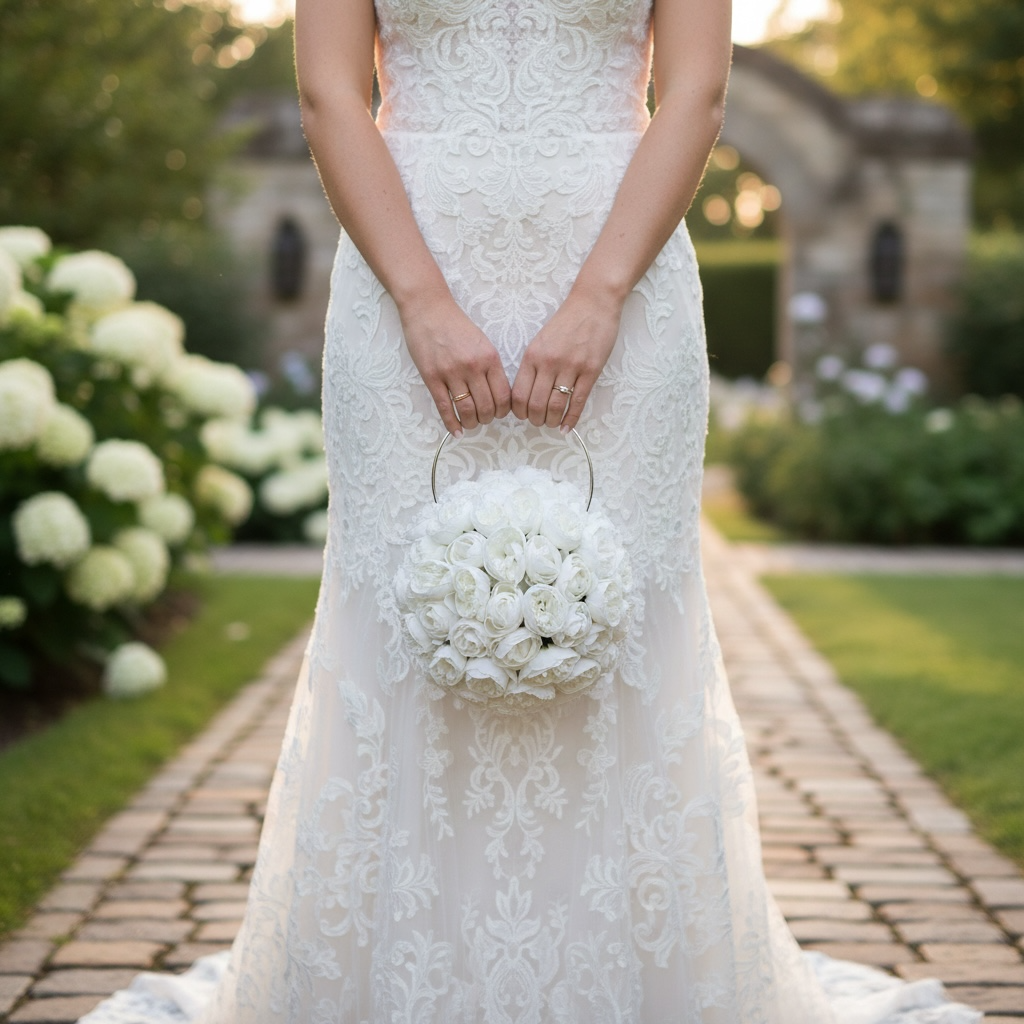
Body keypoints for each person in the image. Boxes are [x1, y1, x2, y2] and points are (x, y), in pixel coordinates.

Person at [80, 0, 983, 1020]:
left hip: (622, 273)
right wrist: (421, 302)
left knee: (632, 624)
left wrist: (600, 296)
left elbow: (696, 89)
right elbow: (330, 91)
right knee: (395, 625)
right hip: (403, 267)